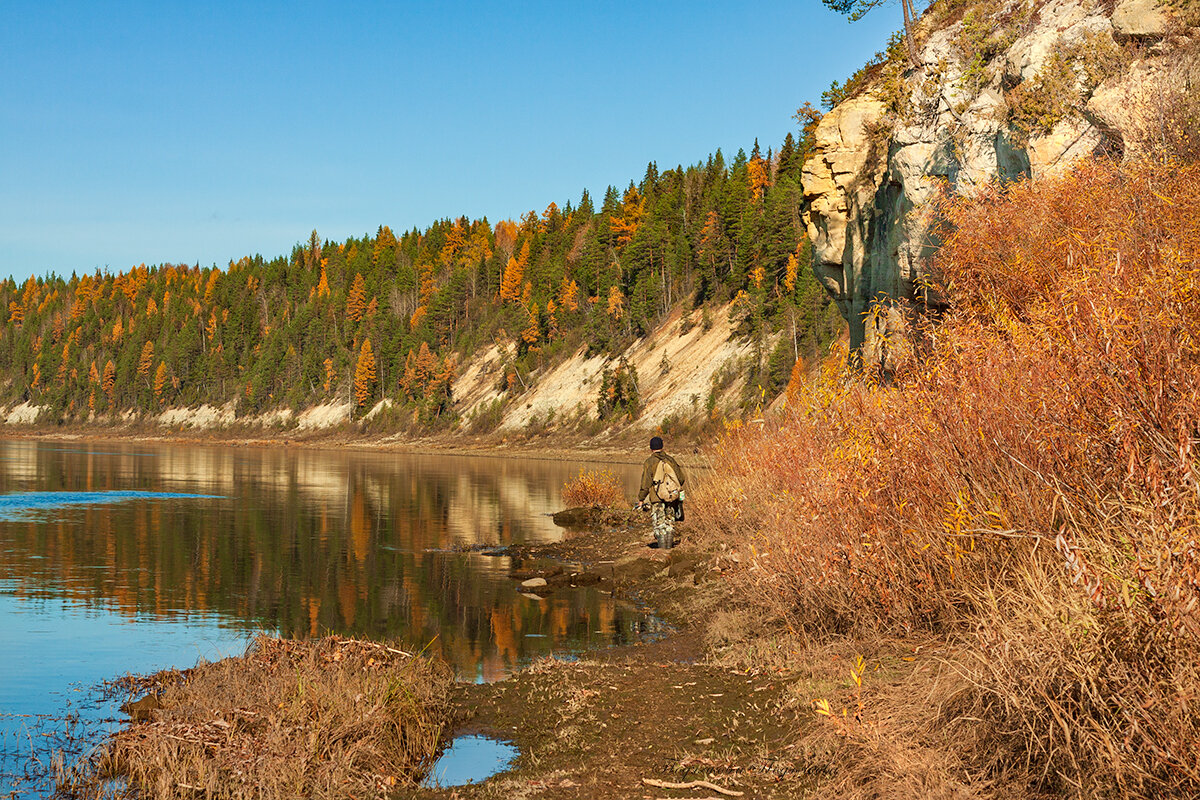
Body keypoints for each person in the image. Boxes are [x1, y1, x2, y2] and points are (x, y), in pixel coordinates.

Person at [637, 436, 686, 549]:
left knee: (660, 525)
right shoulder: (670, 460)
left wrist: (641, 499)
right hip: (671, 498)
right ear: (662, 446)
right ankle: (668, 550)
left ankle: (662, 551)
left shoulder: (649, 462)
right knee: (669, 524)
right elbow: (681, 478)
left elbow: (645, 484)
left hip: (656, 499)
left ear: (651, 448)